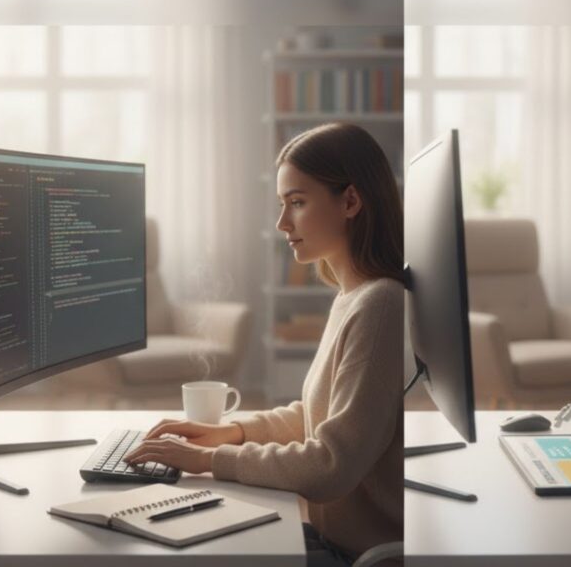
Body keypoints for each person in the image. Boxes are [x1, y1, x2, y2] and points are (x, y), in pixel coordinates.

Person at [124, 123, 404, 566]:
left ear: (350, 201)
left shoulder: (380, 305)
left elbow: (332, 463)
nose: (281, 223)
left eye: (297, 202)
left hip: (353, 556)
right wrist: (232, 433)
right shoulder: (354, 296)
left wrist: (209, 459)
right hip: (327, 538)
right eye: (282, 204)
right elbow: (317, 416)